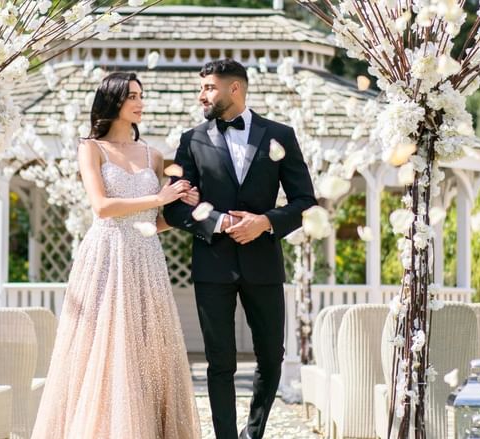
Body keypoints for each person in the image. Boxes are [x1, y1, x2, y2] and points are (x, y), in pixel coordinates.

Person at [31, 72, 201, 439]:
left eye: (141, 95)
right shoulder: (90, 148)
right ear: (113, 102)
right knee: (104, 345)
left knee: (146, 348)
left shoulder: (153, 155)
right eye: (132, 97)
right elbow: (102, 206)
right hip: (106, 253)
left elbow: (157, 221)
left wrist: (184, 207)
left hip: (145, 255)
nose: (140, 103)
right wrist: (158, 198)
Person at [162, 59, 317, 439]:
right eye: (201, 89)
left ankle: (254, 432)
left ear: (235, 89)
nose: (202, 96)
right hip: (211, 265)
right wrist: (221, 221)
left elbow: (305, 202)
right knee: (219, 362)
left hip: (263, 263)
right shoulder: (191, 140)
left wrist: (264, 222)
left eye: (209, 88)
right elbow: (174, 207)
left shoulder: (280, 135)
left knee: (271, 357)